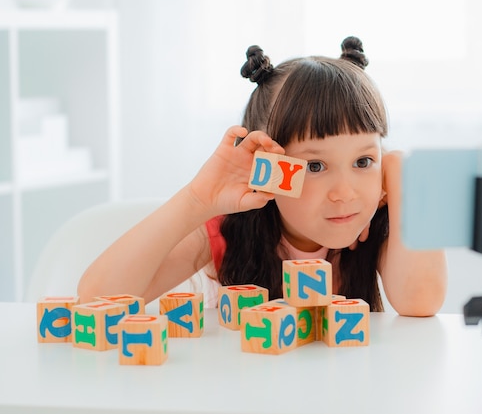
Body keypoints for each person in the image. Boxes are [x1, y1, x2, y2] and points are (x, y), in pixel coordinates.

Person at [77, 36, 447, 316]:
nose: (345, 193)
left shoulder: (378, 223)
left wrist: (402, 171)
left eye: (364, 161)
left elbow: (421, 301)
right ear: (266, 167)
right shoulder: (228, 231)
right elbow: (97, 302)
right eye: (315, 166)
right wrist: (197, 200)